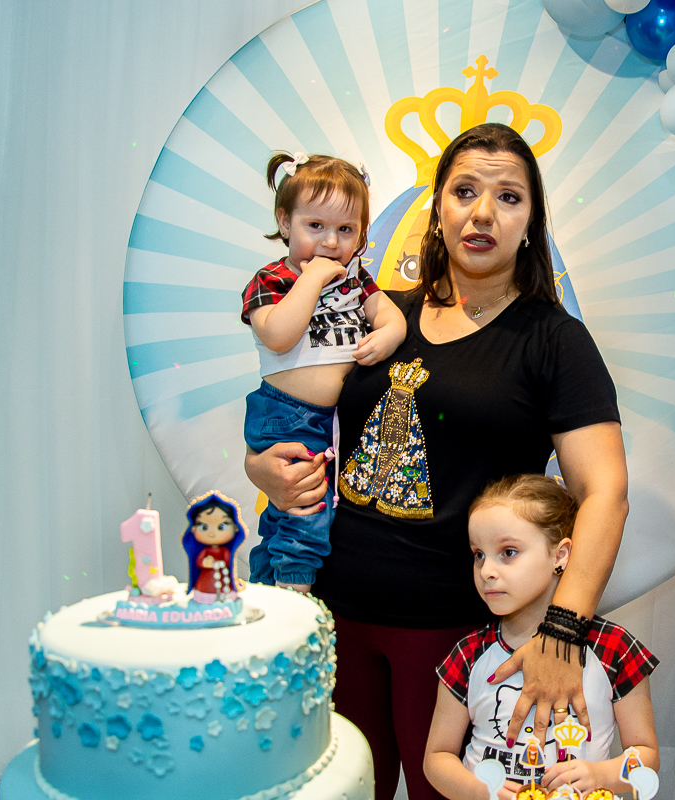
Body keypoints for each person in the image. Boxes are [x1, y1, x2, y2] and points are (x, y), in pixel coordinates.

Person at [245, 123, 628, 800]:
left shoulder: (554, 341)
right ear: (438, 209)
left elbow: (605, 493)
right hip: (331, 611)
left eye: (508, 197)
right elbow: (295, 408)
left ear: (531, 222)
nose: (483, 213)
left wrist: (563, 631)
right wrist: (261, 469)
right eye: (465, 191)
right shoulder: (377, 314)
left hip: (458, 635)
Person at [424, 475, 659, 799]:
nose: (487, 571)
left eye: (508, 552)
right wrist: (481, 791)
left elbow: (647, 755)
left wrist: (602, 775)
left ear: (560, 555)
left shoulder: (613, 647)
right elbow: (437, 759)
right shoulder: (468, 653)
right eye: (479, 554)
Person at [240, 153, 406, 592]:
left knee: (287, 513)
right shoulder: (272, 279)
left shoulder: (356, 280)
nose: (331, 242)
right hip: (288, 415)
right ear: (285, 221)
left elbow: (390, 316)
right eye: (316, 226)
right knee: (306, 506)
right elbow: (278, 335)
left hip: (333, 421)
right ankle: (294, 592)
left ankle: (265, 583)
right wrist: (311, 279)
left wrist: (387, 335)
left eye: (346, 230)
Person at [181, 491, 247, 603]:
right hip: (205, 586)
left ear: (235, 527)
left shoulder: (225, 552)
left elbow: (228, 563)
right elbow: (199, 561)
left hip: (224, 585)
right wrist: (204, 562)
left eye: (221, 527)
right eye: (204, 527)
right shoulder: (205, 552)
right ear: (193, 528)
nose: (212, 533)